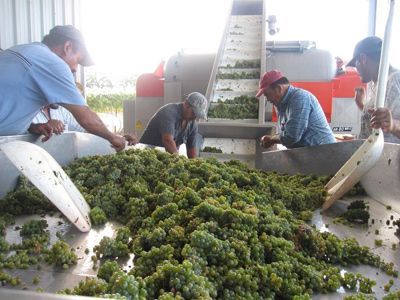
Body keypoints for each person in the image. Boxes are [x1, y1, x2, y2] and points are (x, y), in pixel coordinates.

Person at [0, 25, 128, 151]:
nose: (75, 69)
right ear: (68, 47)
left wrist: (32, 127)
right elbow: (86, 119)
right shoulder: (52, 62)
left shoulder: (19, 51)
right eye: (78, 60)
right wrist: (113, 137)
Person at [255, 70, 336, 149]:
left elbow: (292, 137)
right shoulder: (281, 104)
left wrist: (272, 139)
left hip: (324, 152)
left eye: (267, 95)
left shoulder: (300, 98)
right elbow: (286, 133)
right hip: (308, 152)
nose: (268, 99)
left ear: (278, 88)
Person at [347, 36, 400, 143]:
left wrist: (393, 125)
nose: (357, 70)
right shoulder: (375, 83)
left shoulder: (395, 80)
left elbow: (391, 122)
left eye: (355, 64)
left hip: (389, 157)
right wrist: (361, 105)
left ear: (363, 59)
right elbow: (381, 119)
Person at [137, 92, 207, 158]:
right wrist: (179, 163)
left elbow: (191, 150)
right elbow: (167, 140)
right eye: (194, 112)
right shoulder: (169, 112)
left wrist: (194, 166)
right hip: (146, 155)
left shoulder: (192, 124)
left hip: (165, 157)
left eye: (197, 115)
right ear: (186, 104)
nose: (195, 117)